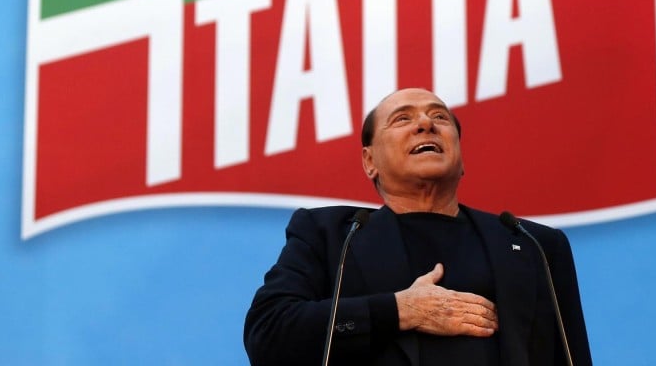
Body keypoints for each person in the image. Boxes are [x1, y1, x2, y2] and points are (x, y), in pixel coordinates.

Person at [244, 88, 592, 365]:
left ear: (461, 156)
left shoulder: (534, 245)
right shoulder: (329, 235)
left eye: (440, 117)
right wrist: (399, 311)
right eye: (402, 119)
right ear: (370, 161)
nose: (426, 124)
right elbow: (269, 334)